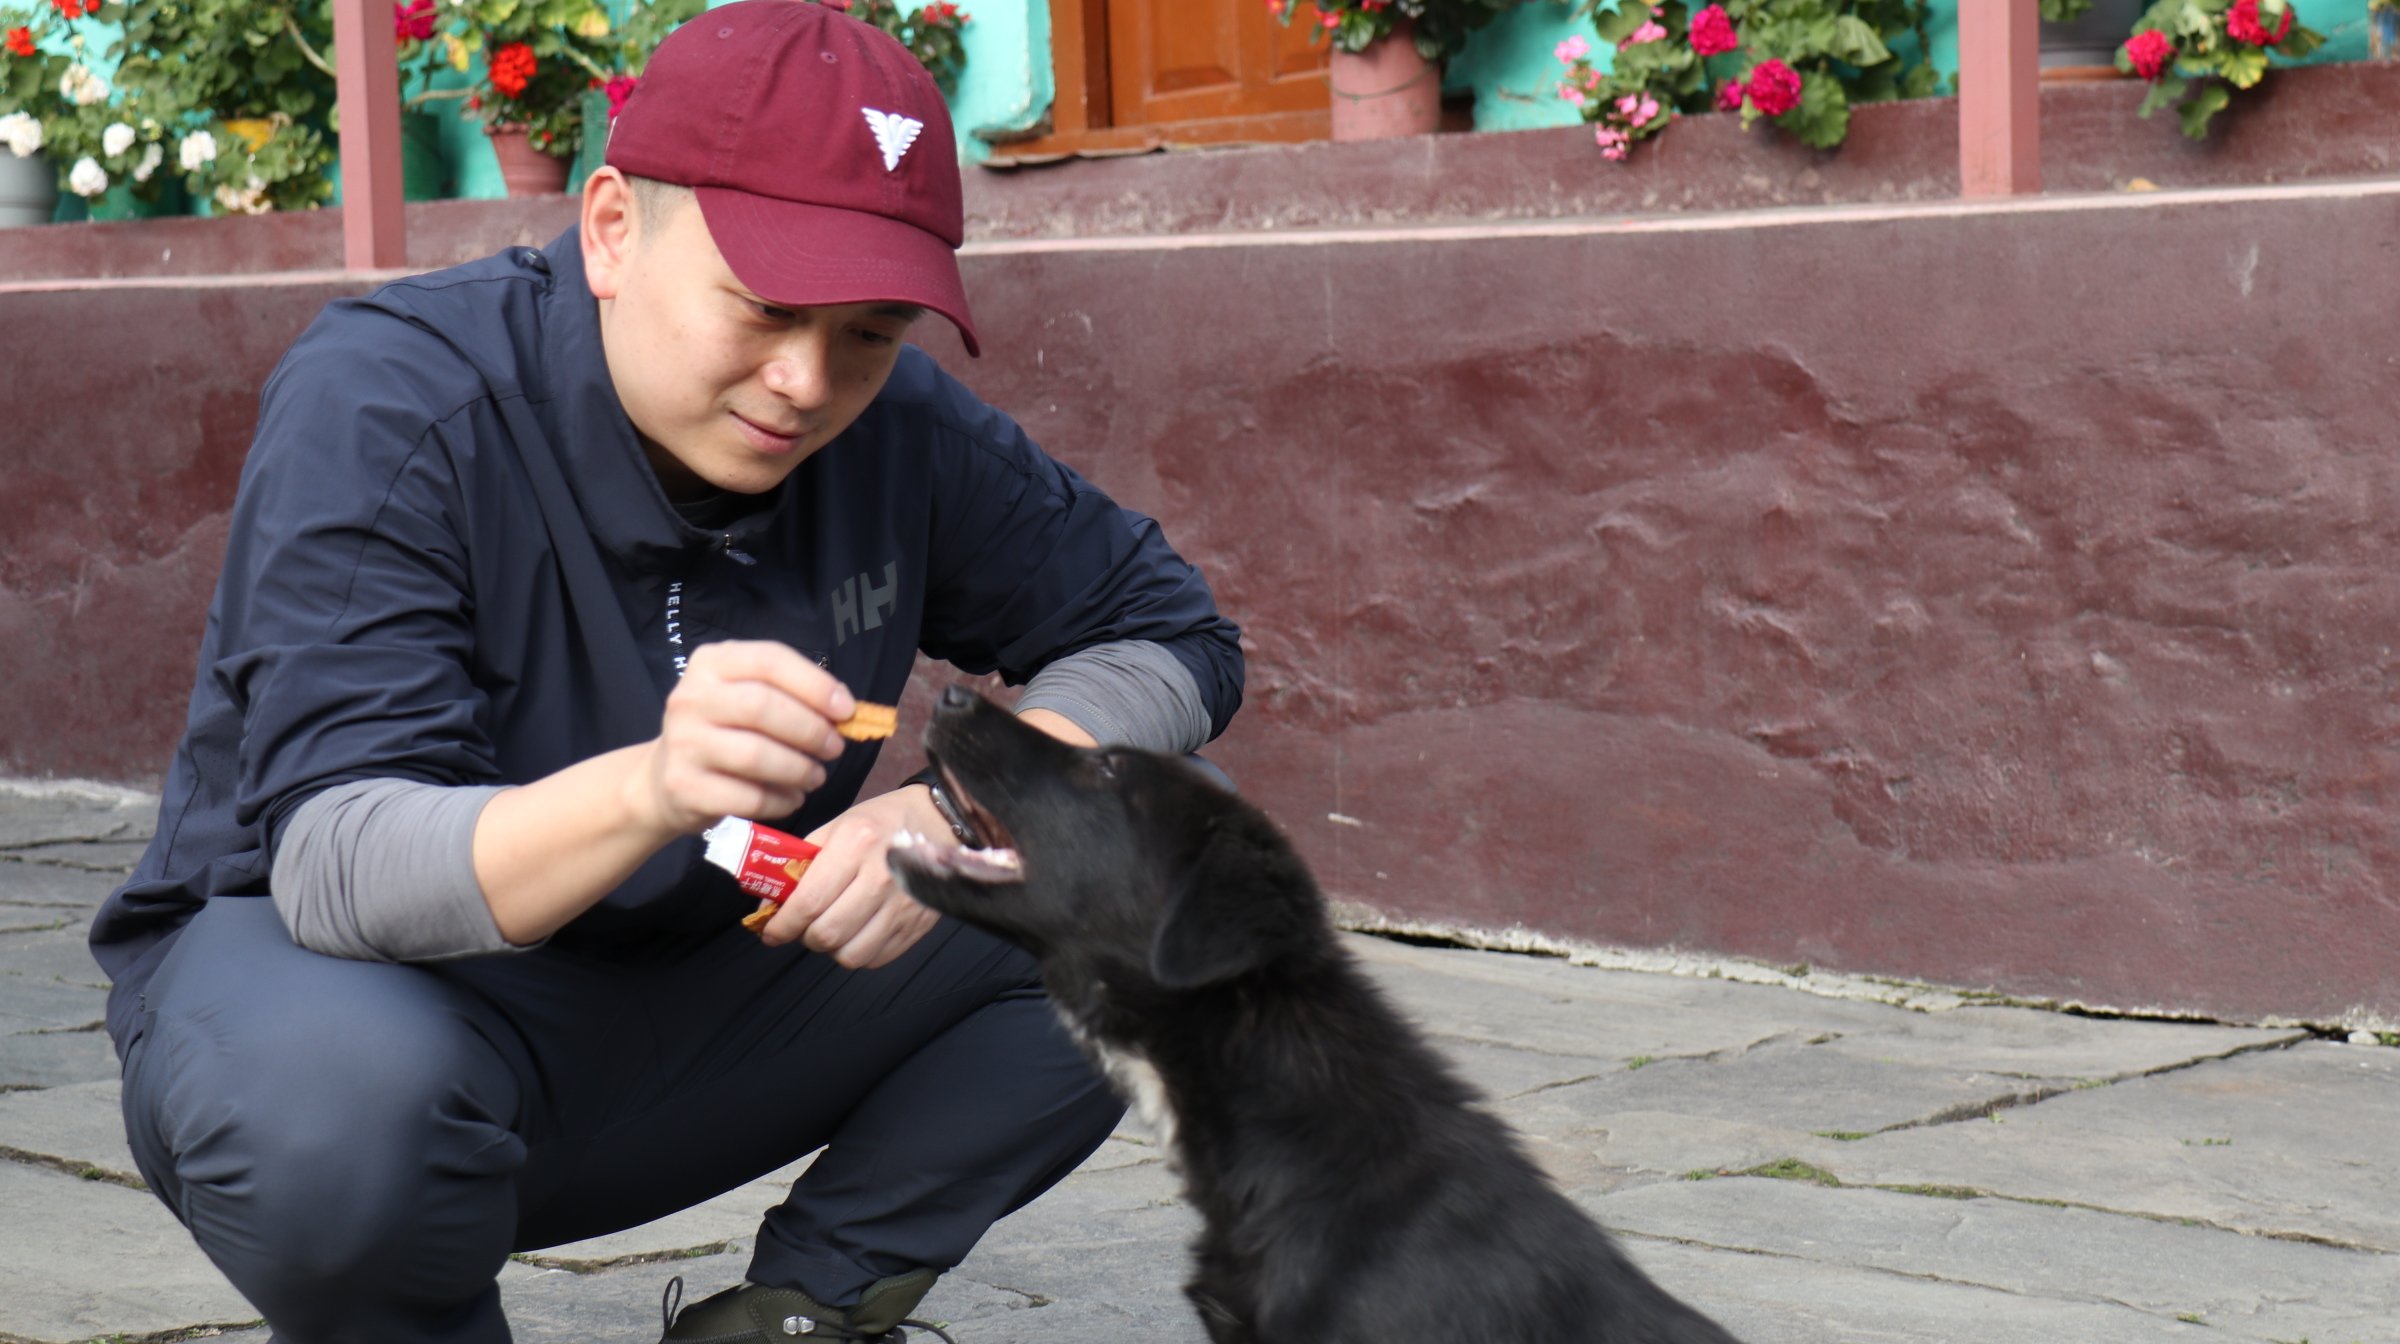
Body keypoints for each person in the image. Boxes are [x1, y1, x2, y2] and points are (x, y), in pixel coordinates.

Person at [85, 4, 1242, 1341]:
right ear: (614, 229)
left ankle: (804, 1312)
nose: (807, 381)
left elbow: (1172, 636)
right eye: (764, 307)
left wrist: (960, 808)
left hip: (696, 990)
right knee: (331, 1123)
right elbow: (339, 864)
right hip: (364, 1012)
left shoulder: (897, 428)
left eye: (871, 330)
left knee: (1163, 861)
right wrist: (649, 787)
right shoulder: (394, 395)